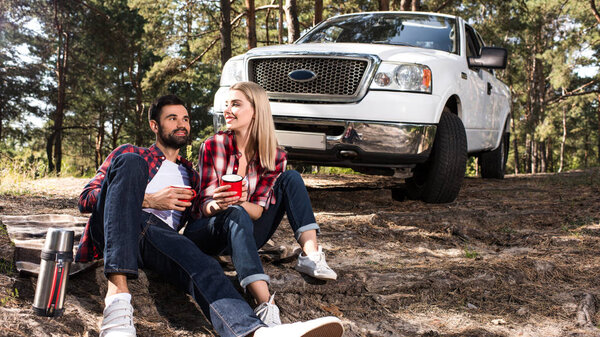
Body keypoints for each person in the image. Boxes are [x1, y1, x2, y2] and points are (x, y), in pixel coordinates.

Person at [75, 94, 344, 337]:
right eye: (172, 118)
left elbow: (200, 221)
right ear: (155, 126)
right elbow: (86, 200)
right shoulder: (131, 154)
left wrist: (223, 206)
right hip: (116, 229)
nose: (181, 124)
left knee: (204, 264)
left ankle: (255, 332)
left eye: (186, 119)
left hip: (158, 240)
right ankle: (117, 302)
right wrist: (148, 199)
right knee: (132, 166)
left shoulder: (190, 175)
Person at [183, 82, 337, 327]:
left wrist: (242, 201)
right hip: (207, 231)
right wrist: (219, 204)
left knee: (292, 179)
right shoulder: (213, 146)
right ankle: (266, 305)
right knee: (233, 212)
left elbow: (259, 210)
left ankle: (310, 255)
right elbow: (201, 207)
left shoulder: (274, 156)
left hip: (245, 230)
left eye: (235, 104)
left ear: (256, 110)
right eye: (226, 105)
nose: (227, 110)